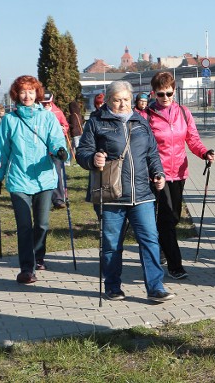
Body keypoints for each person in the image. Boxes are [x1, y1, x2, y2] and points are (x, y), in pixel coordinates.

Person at [76, 80, 174, 303]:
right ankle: (112, 287)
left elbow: (152, 153)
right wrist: (93, 159)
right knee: (111, 244)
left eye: (126, 100)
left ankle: (155, 287)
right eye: (117, 100)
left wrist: (158, 173)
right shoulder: (97, 122)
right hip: (110, 193)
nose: (122, 104)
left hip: (142, 194)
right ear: (108, 100)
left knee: (150, 240)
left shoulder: (141, 121)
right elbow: (82, 152)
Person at [0, 75, 68, 283]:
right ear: (17, 94)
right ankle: (27, 268)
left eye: (31, 92)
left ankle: (38, 256)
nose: (27, 96)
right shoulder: (9, 120)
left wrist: (61, 152)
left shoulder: (48, 118)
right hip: (19, 180)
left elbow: (56, 141)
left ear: (37, 94)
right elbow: (2, 151)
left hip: (44, 179)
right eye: (23, 92)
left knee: (41, 224)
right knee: (24, 225)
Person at [147, 71, 215, 280]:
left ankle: (161, 246)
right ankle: (175, 265)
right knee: (167, 219)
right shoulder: (146, 115)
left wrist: (205, 152)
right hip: (157, 174)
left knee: (174, 217)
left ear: (174, 91)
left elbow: (192, 139)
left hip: (179, 172)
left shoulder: (184, 113)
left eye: (169, 93)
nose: (165, 98)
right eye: (161, 94)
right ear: (153, 93)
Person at [41, 92, 70, 209]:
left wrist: (63, 129)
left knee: (58, 173)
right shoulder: (38, 113)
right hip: (42, 149)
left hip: (55, 149)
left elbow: (65, 126)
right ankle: (44, 200)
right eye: (43, 103)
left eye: (48, 102)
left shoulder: (57, 112)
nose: (46, 105)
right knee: (43, 174)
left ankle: (58, 199)